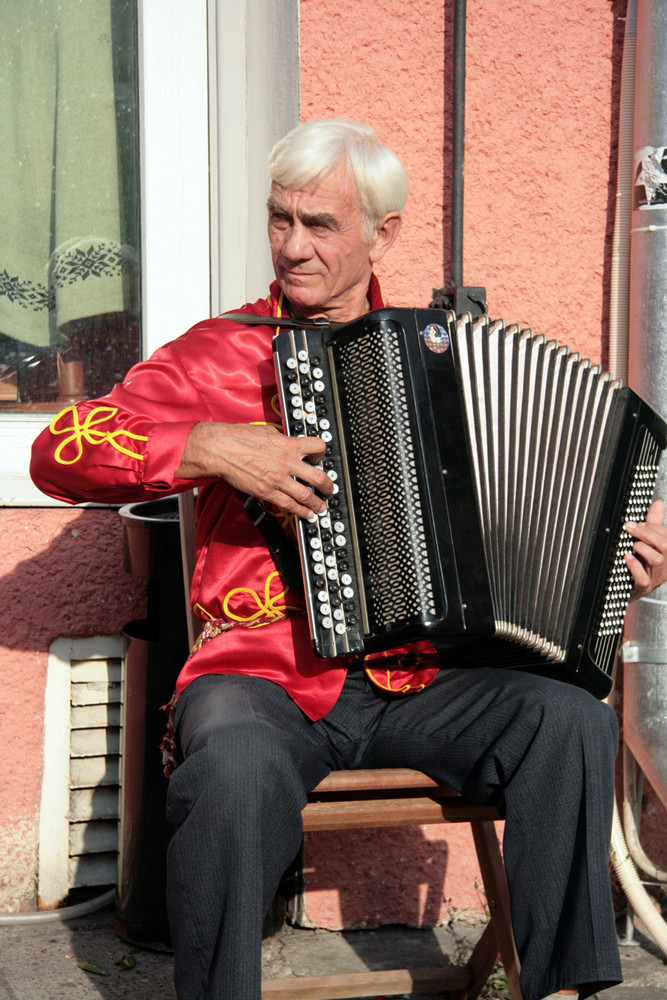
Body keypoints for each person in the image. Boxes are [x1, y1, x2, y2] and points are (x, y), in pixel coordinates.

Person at [30, 119, 667, 1000]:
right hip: (264, 677)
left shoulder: (449, 356)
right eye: (278, 219)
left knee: (571, 720)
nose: (292, 246)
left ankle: (559, 991)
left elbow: (532, 518)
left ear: (382, 232)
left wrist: (614, 558)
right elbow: (59, 452)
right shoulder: (219, 353)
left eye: (319, 224)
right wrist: (213, 444)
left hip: (425, 681)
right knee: (232, 770)